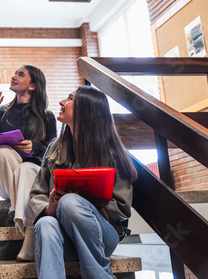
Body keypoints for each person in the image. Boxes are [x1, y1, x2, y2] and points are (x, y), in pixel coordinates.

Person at [28, 85, 138, 279]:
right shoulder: (55, 148)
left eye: (70, 99)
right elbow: (37, 194)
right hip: (65, 238)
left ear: (86, 110)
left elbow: (122, 209)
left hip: (103, 235)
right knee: (45, 224)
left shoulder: (112, 153)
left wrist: (84, 202)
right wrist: (49, 209)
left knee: (70, 202)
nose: (62, 102)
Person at [0, 65, 56, 261]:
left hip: (33, 180)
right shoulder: (2, 111)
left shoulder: (47, 116)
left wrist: (35, 147)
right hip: (5, 180)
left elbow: (54, 155)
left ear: (33, 85)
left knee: (27, 168)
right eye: (15, 73)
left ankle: (28, 233)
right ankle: (28, 219)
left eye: (20, 74)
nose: (14, 76)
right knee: (2, 152)